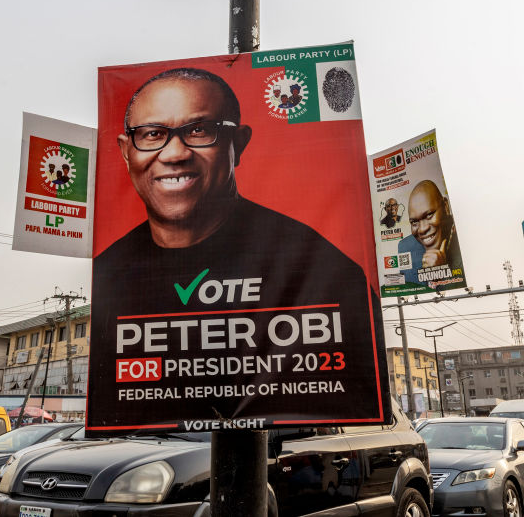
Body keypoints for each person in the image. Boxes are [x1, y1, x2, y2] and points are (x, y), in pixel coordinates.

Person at [90, 67, 386, 427]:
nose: (174, 154)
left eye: (199, 130)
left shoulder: (324, 270)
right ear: (126, 152)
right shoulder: (108, 272)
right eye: (152, 134)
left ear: (239, 144)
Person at [399, 180, 462, 285]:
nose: (422, 229)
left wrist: (441, 273)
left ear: (446, 207)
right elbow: (408, 289)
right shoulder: (405, 247)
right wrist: (431, 278)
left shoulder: (467, 236)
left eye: (429, 215)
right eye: (414, 222)